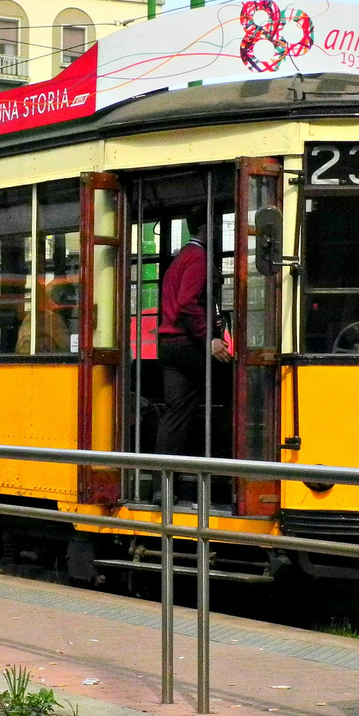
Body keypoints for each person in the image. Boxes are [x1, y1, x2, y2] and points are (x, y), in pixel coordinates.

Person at [151, 208, 232, 505]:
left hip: (169, 345)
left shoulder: (180, 258)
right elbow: (187, 304)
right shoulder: (198, 258)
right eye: (219, 227)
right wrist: (209, 338)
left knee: (176, 413)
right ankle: (230, 476)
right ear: (207, 228)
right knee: (240, 391)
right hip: (188, 344)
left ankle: (163, 488)